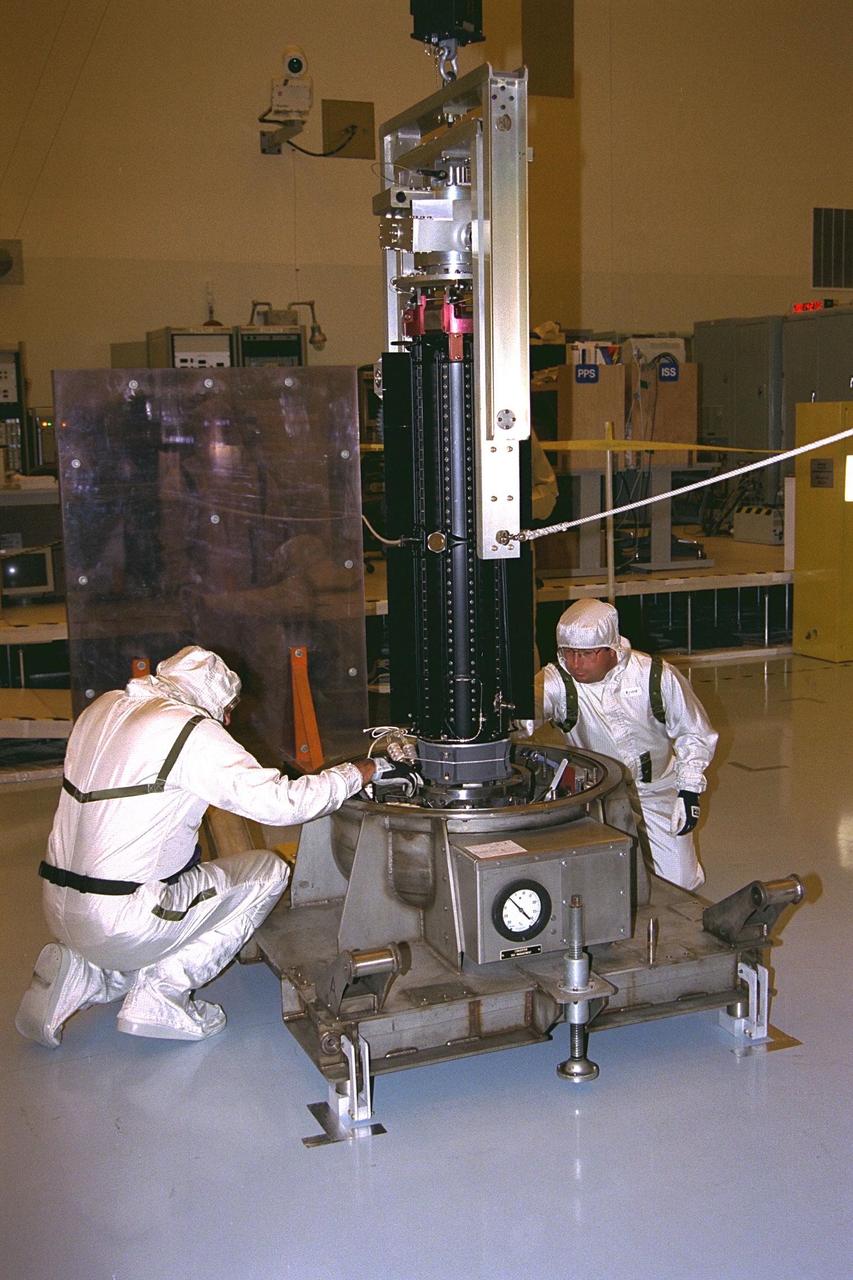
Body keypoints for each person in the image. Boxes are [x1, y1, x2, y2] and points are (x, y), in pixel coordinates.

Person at [16, 645, 414, 1047]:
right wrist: (364, 769)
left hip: (59, 904)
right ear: (213, 701)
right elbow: (283, 804)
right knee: (268, 872)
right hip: (125, 915)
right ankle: (162, 994)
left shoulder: (103, 708)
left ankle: (86, 972)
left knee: (146, 895)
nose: (227, 721)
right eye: (227, 710)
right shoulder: (188, 731)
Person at [516, 599, 717, 890]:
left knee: (680, 883)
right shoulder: (558, 681)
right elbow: (528, 711)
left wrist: (688, 790)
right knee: (598, 885)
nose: (574, 663)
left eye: (585, 654)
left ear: (611, 648)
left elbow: (694, 732)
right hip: (597, 797)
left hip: (656, 790)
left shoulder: (655, 676)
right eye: (567, 653)